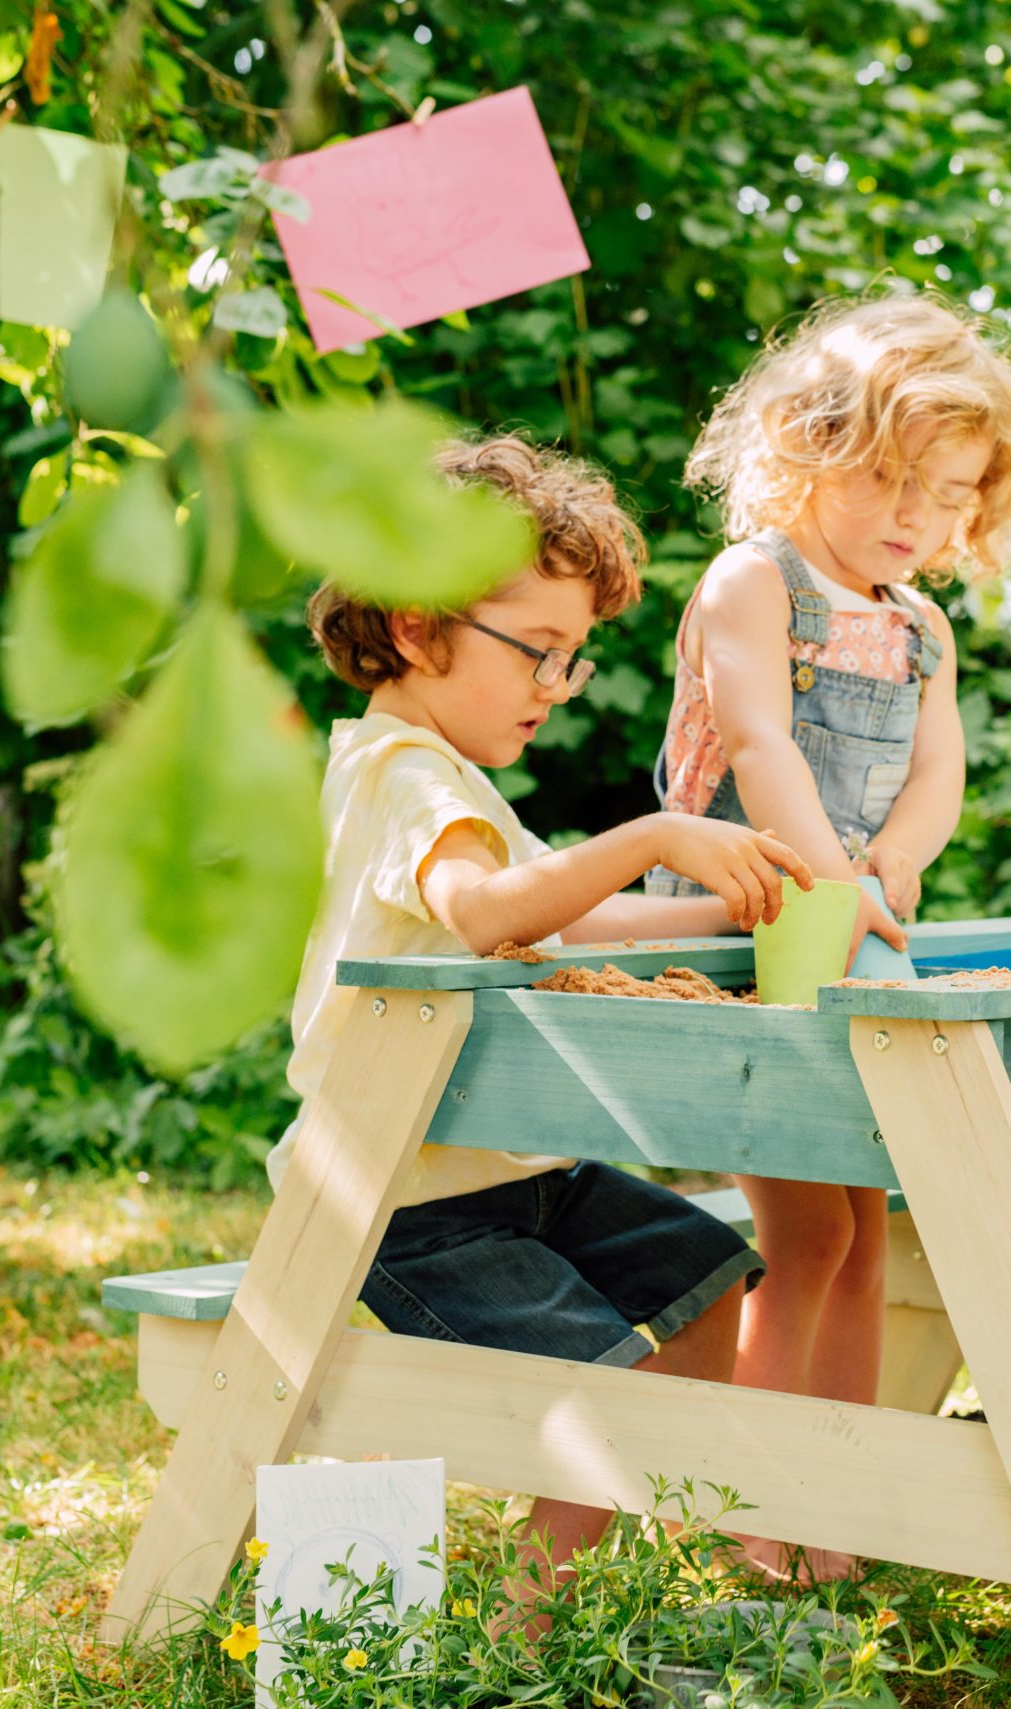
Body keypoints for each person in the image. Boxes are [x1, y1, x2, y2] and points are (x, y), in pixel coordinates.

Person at [275, 433, 813, 1586]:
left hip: (513, 1176)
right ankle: (525, 1621)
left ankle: (652, 1538)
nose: (557, 688)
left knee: (707, 1272)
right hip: (405, 1196)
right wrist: (660, 835)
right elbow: (484, 911)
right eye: (538, 652)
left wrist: (733, 916)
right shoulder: (401, 777)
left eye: (572, 658)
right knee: (602, 1376)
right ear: (418, 627)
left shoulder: (456, 782)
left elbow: (559, 922)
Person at [648, 295, 1011, 1563]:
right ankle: (750, 1521)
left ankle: (832, 1504)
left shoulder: (924, 628)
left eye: (947, 496)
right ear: (807, 445)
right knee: (807, 1229)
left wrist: (894, 858)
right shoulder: (754, 581)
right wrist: (834, 883)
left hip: (855, 911)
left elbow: (936, 774)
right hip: (744, 924)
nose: (915, 516)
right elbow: (764, 744)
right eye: (889, 479)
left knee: (870, 1218)